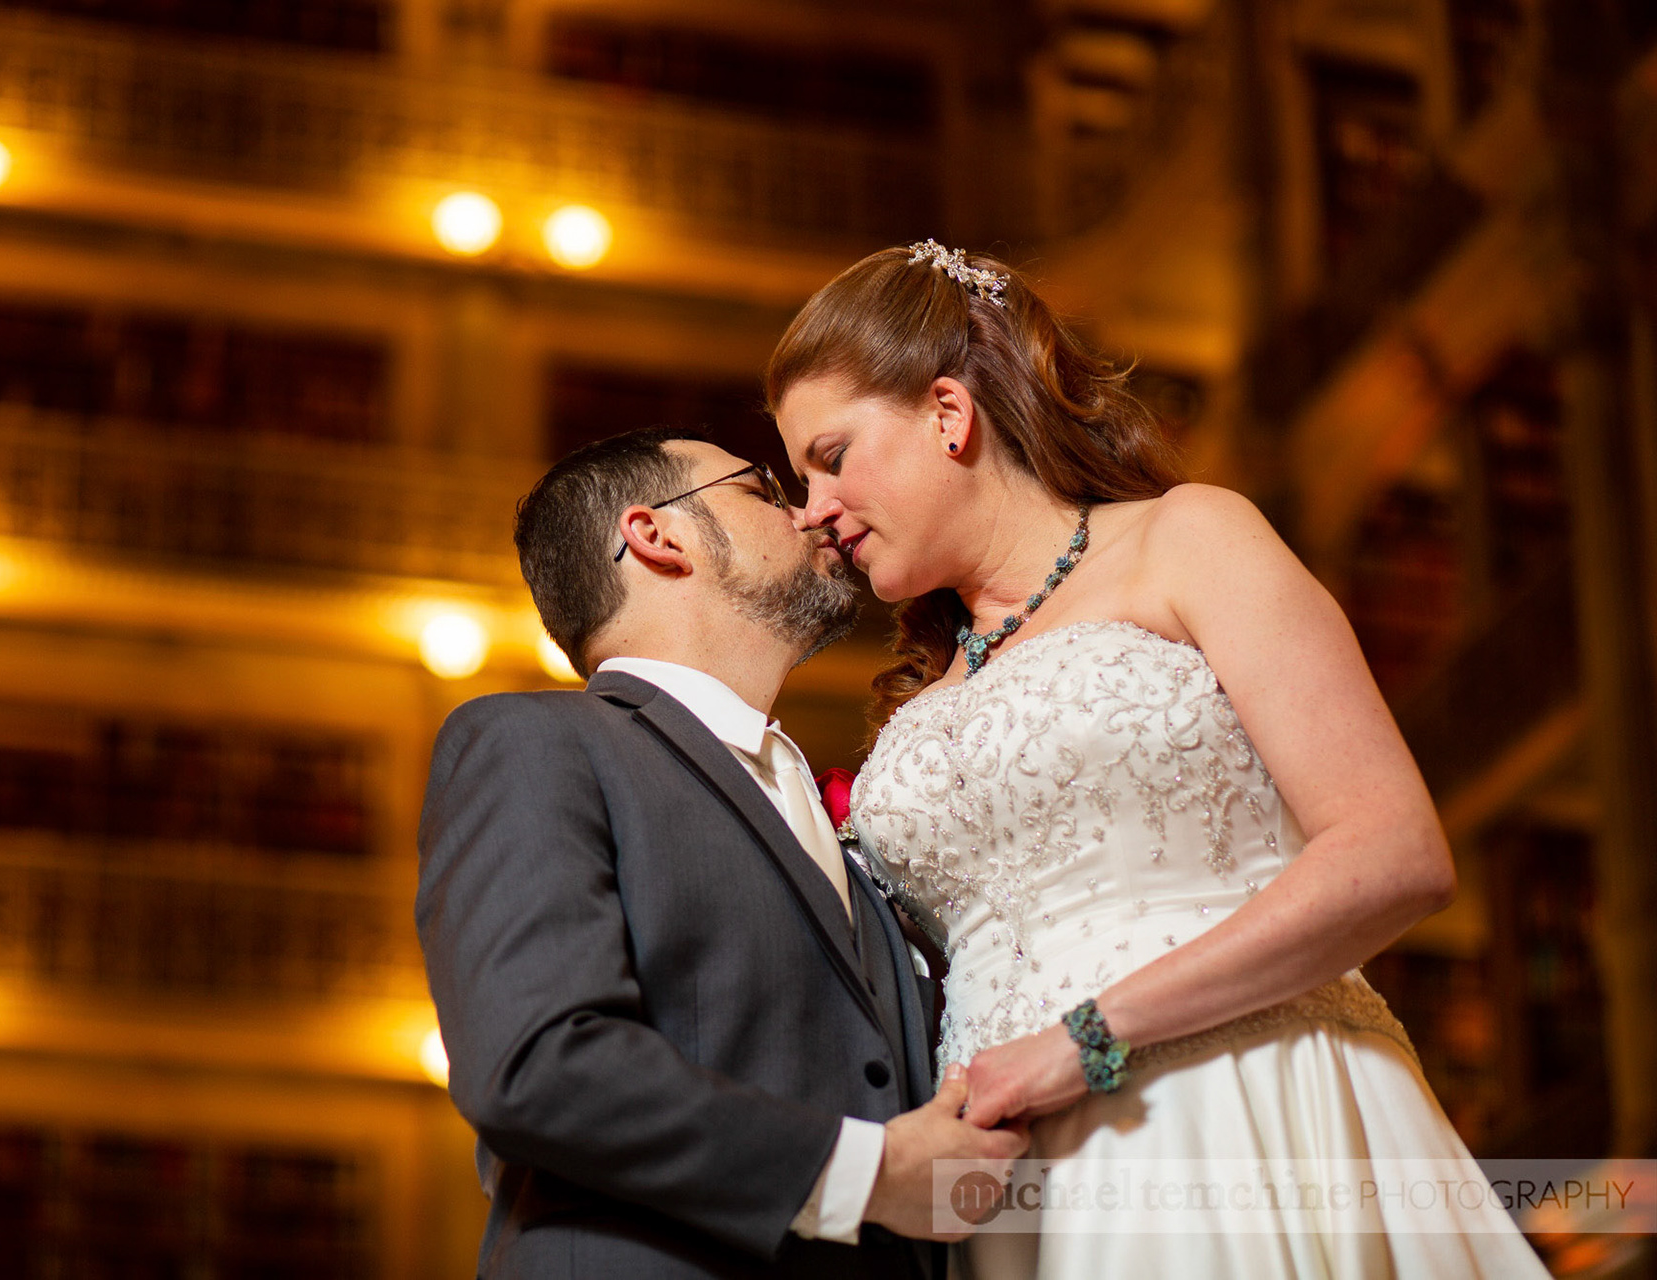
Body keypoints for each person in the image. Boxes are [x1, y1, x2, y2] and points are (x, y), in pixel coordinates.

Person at [767, 242, 1550, 1277]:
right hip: (1019, 1192)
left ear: (948, 413)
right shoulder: (919, 700)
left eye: (831, 455)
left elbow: (1395, 852)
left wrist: (1084, 1037)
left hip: (1236, 1105)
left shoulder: (1189, 539)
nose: (812, 507)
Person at [416, 427, 1029, 1279]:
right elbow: (539, 1063)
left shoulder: (840, 818)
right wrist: (870, 1174)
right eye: (763, 490)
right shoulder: (534, 745)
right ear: (656, 536)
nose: (813, 511)